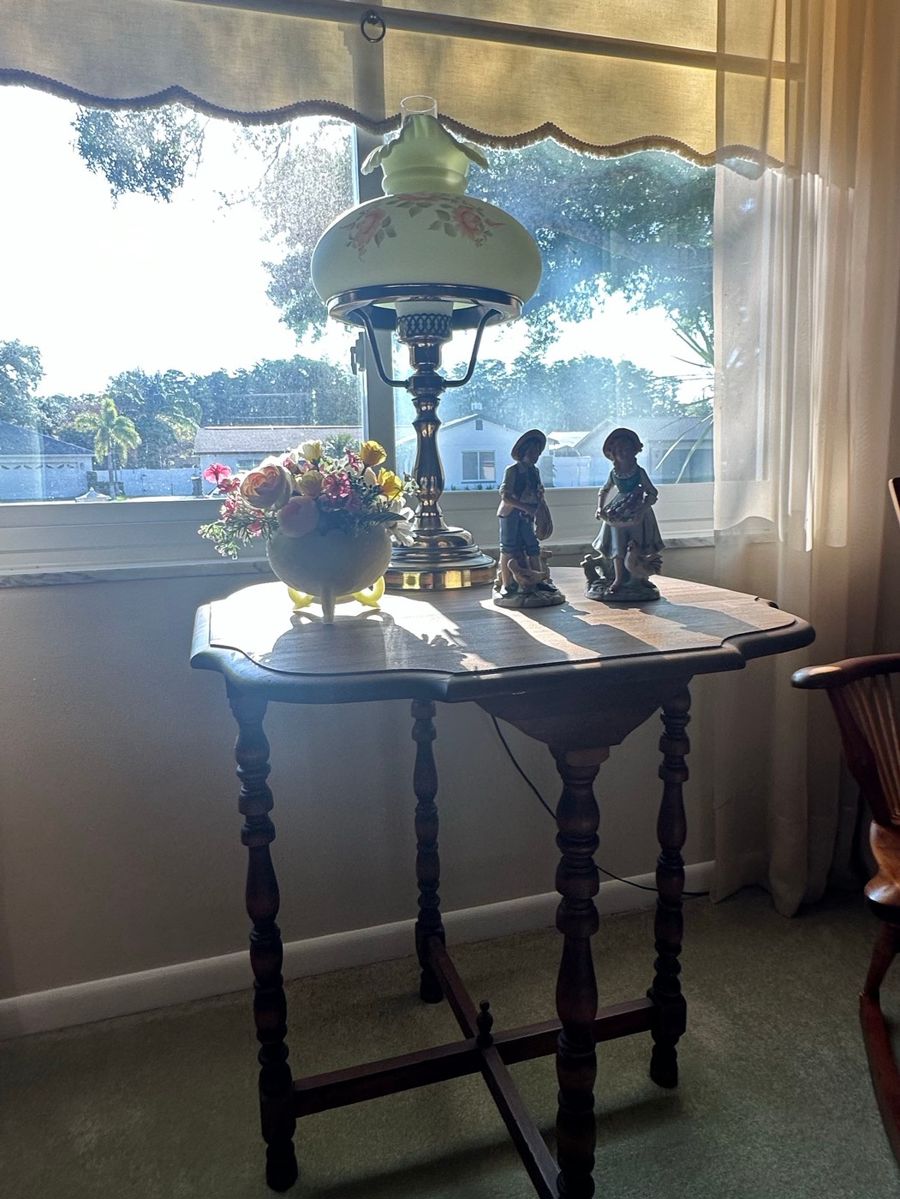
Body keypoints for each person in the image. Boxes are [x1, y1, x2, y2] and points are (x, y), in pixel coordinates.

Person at [592, 427, 664, 595]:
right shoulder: (614, 473)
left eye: (627, 450)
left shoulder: (639, 472)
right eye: (619, 451)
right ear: (614, 454)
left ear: (634, 451)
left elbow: (652, 493)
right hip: (617, 512)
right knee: (618, 545)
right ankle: (618, 578)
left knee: (636, 545)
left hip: (637, 512)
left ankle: (637, 579)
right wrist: (600, 507)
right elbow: (604, 490)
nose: (623, 454)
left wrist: (643, 508)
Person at [496, 429, 558, 601]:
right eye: (531, 452)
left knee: (532, 546)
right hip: (510, 514)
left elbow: (537, 491)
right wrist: (526, 507)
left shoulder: (534, 471)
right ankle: (507, 583)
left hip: (527, 515)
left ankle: (538, 579)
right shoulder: (513, 470)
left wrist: (538, 507)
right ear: (523, 452)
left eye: (537, 453)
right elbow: (506, 496)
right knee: (507, 547)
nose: (534, 456)